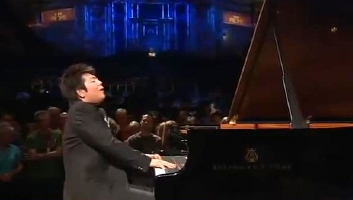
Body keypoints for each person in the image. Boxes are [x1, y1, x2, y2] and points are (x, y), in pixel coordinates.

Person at [60, 63, 176, 200]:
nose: (100, 82)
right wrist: (145, 161)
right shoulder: (81, 111)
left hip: (107, 187)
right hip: (93, 191)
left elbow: (106, 148)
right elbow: (108, 143)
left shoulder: (93, 111)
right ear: (81, 92)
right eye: (93, 80)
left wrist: (146, 156)